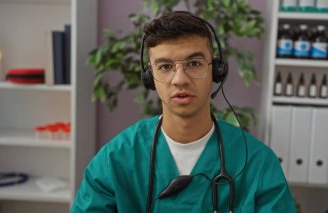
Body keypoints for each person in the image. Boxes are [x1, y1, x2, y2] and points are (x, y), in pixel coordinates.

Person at [71, 11, 296, 213]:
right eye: (165, 67)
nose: (180, 79)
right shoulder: (114, 161)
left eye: (194, 64)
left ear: (216, 71)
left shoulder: (257, 163)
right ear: (150, 78)